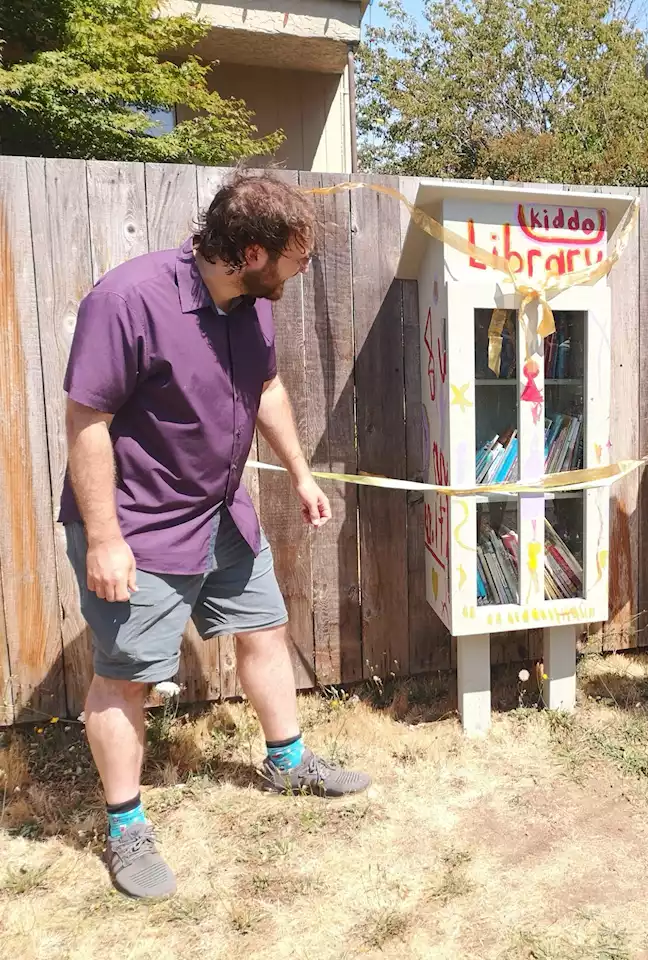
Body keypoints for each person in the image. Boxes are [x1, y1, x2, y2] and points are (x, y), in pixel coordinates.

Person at [60, 171, 371, 900]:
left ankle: (287, 763)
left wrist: (299, 473)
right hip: (139, 523)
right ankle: (126, 826)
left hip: (222, 508)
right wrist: (105, 537)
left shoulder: (250, 305)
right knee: (127, 675)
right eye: (297, 257)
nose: (303, 269)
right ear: (252, 253)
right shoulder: (128, 300)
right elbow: (87, 420)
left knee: (263, 627)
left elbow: (264, 389)